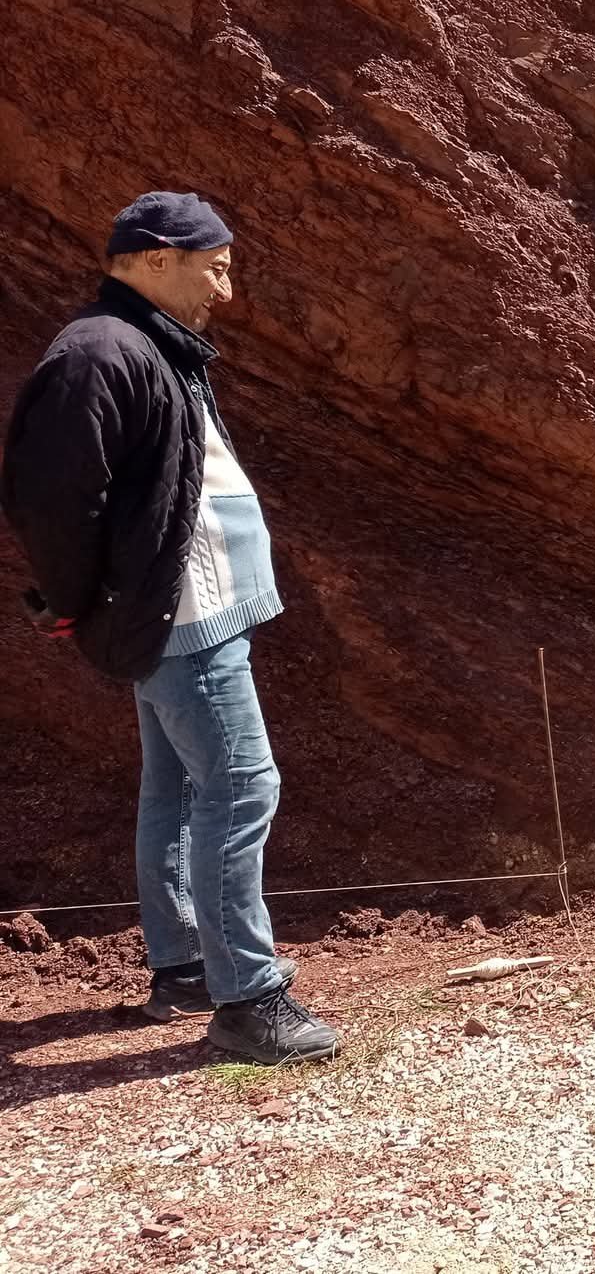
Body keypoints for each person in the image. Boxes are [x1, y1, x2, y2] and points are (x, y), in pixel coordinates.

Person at [1, 191, 339, 1065]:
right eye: (216, 270)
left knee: (180, 791)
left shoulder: (147, 344)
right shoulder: (100, 351)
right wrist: (83, 603)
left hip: (196, 608)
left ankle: (188, 968)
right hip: (181, 614)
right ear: (156, 258)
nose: (226, 293)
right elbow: (48, 500)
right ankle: (250, 1002)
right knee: (241, 786)